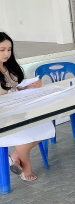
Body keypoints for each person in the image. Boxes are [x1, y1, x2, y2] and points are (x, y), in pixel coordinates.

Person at [0, 32, 55, 181]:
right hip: (4, 120)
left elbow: (13, 91)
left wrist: (28, 87)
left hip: (17, 113)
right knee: (24, 138)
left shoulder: (9, 68)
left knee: (47, 125)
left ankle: (16, 156)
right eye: (2, 50)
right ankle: (26, 168)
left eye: (9, 49)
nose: (7, 53)